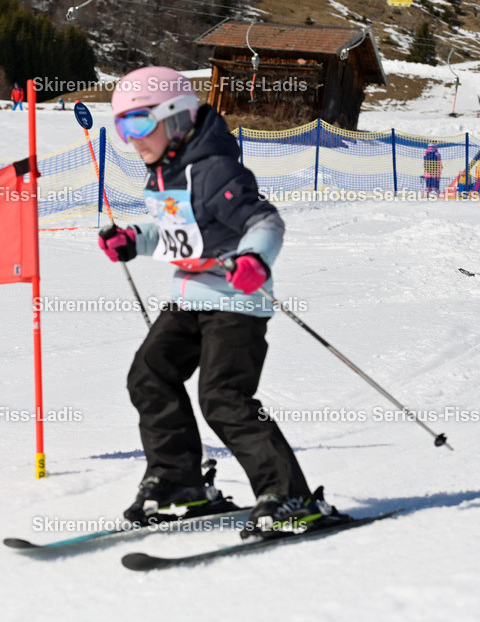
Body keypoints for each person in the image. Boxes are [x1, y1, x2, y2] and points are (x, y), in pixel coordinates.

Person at [99, 66, 341, 537]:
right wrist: (133, 239)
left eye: (140, 124)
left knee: (222, 397)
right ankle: (177, 484)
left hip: (235, 301)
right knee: (149, 375)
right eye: (122, 127)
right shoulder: (164, 173)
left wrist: (254, 259)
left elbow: (265, 222)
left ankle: (287, 494)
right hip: (189, 298)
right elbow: (172, 233)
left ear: (176, 116)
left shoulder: (215, 169)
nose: (132, 139)